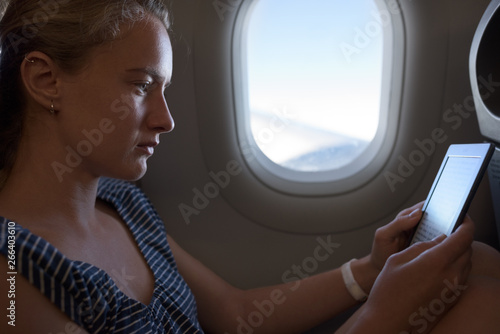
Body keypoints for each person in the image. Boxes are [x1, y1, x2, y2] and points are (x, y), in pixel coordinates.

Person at [0, 1, 499, 333]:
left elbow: (235, 314)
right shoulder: (16, 274)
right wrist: (382, 316)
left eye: (165, 89)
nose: (166, 119)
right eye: (139, 85)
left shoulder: (121, 205)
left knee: (477, 263)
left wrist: (369, 273)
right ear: (46, 80)